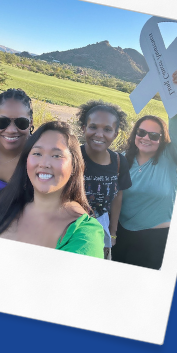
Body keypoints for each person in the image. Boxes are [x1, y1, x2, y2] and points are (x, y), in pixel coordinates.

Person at [0, 121, 104, 258]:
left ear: (74, 165)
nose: (44, 163)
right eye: (37, 153)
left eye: (57, 155)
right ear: (26, 161)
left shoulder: (84, 233)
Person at [113, 70, 177, 270]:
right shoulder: (122, 160)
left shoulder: (172, 157)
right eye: (141, 132)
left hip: (156, 241)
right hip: (121, 236)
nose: (146, 138)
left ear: (162, 139)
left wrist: (176, 95)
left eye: (154, 136)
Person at [76, 100, 132, 259]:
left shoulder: (120, 162)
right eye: (93, 127)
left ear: (115, 134)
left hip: (101, 227)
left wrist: (113, 232)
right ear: (84, 128)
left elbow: (117, 197)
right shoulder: (72, 157)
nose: (99, 134)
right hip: (70, 225)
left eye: (107, 129)